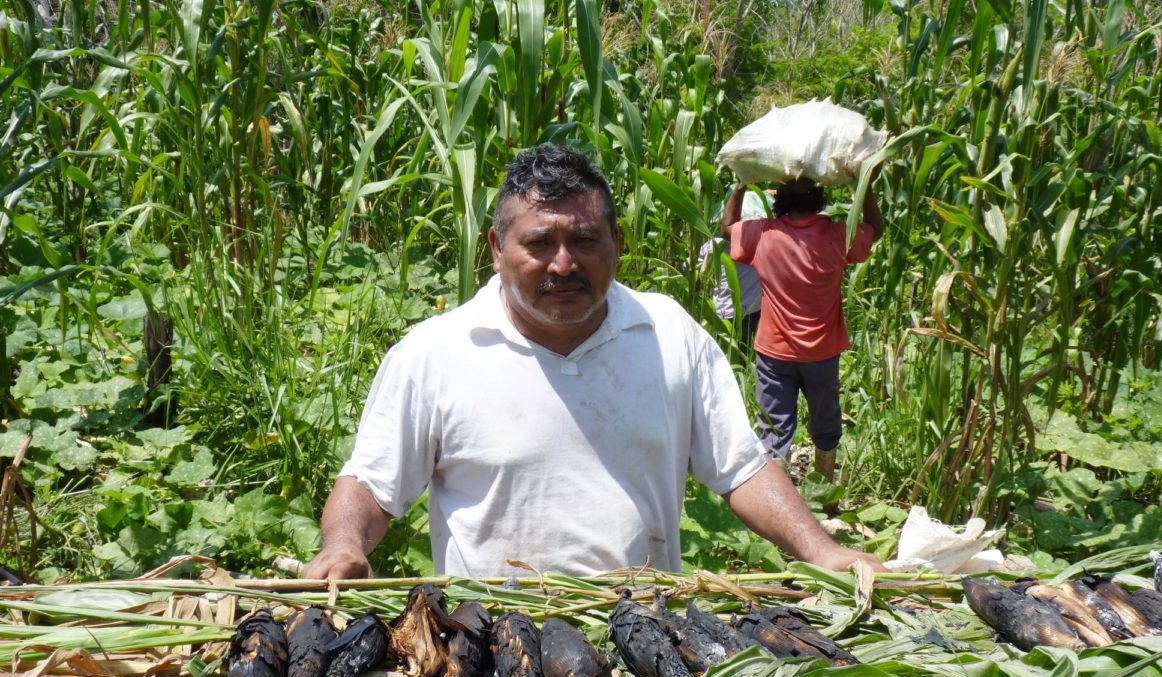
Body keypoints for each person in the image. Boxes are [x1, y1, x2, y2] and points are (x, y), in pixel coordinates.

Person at [303, 144, 882, 581]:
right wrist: (344, 545)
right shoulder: (435, 354)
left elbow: (742, 469)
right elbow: (372, 484)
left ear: (617, 244)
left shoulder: (667, 333)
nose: (563, 264)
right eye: (538, 244)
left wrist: (822, 550)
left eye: (584, 241)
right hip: (493, 651)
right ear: (496, 251)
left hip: (648, 639)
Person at [721, 175, 883, 484]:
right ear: (819, 199)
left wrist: (741, 185)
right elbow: (875, 230)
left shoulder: (763, 235)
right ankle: (824, 493)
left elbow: (727, 229)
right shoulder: (838, 236)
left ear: (780, 199)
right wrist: (865, 186)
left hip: (774, 352)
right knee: (826, 424)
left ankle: (774, 504)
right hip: (821, 352)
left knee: (774, 428)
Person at [704, 189, 770, 346]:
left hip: (721, 312)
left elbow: (691, 269)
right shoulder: (759, 246)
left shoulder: (713, 245)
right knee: (746, 352)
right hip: (751, 311)